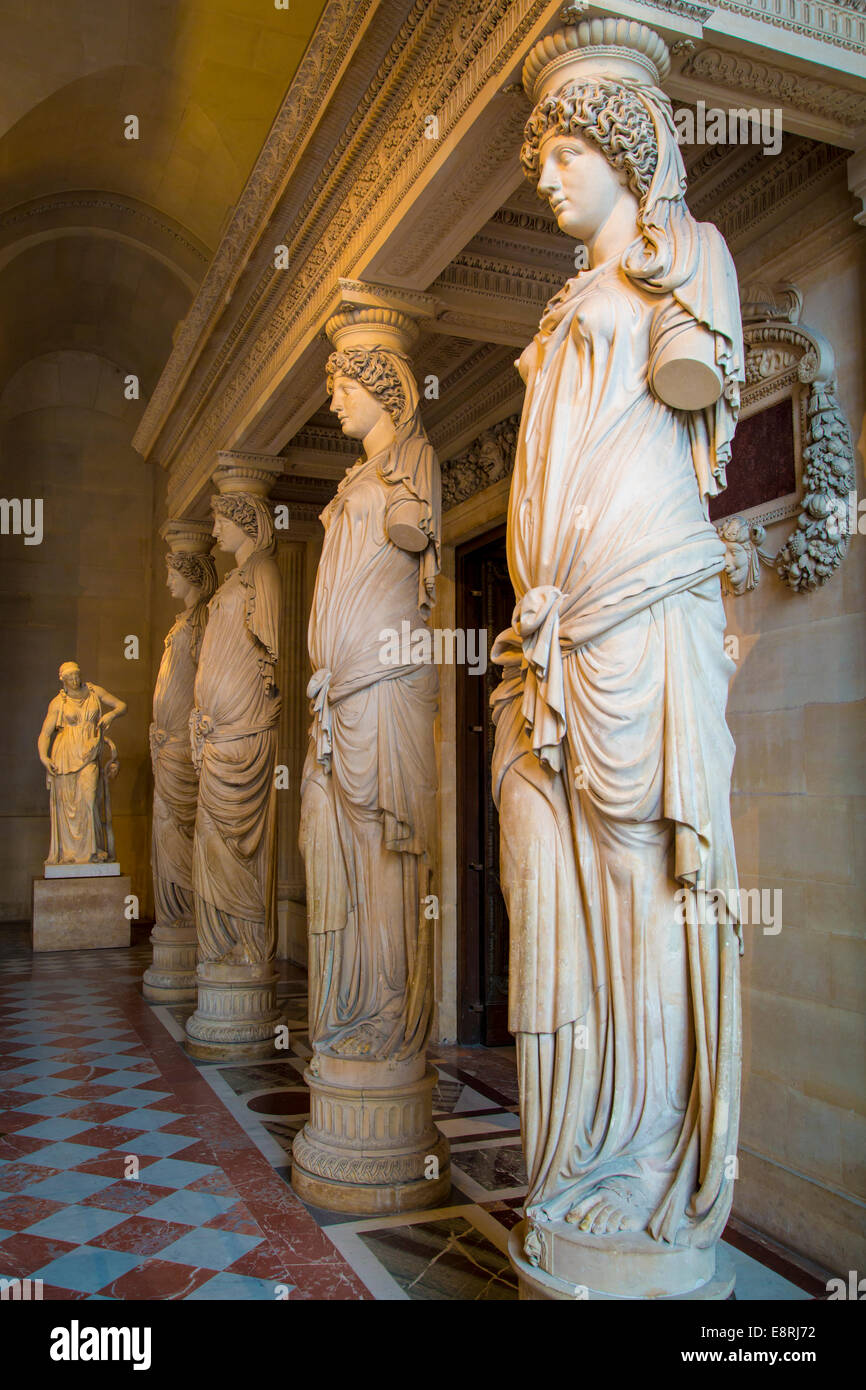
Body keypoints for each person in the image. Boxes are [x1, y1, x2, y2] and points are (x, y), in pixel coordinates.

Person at [491, 25, 744, 1253]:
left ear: (625, 149)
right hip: (562, 638)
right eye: (540, 153)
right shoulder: (561, 305)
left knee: (642, 896)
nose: (543, 173)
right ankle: (588, 1140)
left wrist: (664, 250)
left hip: (641, 621)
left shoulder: (684, 253)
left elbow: (686, 386)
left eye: (563, 149)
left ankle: (643, 1154)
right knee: (581, 904)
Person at [300, 338, 441, 1062]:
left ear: (385, 390)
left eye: (344, 387)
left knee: (386, 854)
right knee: (342, 851)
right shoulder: (364, 473)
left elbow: (410, 535)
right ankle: (350, 1002)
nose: (332, 402)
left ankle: (386, 1010)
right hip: (342, 697)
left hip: (385, 690)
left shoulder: (411, 463)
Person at [189, 494, 281, 965]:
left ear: (245, 521)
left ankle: (247, 945)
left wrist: (235, 716)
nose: (214, 530)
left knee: (234, 843)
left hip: (242, 734)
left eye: (220, 520)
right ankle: (222, 943)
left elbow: (271, 662)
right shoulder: (232, 579)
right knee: (209, 837)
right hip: (219, 735)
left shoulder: (260, 572)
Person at [150, 551, 216, 930]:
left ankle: (186, 914)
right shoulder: (182, 622)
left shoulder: (202, 618)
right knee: (165, 823)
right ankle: (175, 914)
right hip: (166, 743)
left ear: (190, 575)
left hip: (179, 742)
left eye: (172, 573)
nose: (167, 582)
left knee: (176, 824)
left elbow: (206, 675)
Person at [37, 661, 126, 864]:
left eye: (77, 675)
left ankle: (92, 851)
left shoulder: (94, 692)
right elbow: (45, 733)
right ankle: (70, 854)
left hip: (88, 755)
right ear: (63, 680)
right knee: (68, 805)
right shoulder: (58, 703)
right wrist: (44, 757)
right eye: (70, 677)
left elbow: (122, 706)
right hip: (64, 756)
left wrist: (111, 715)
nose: (75, 680)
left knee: (89, 799)